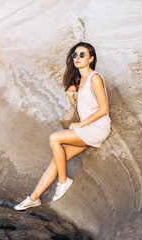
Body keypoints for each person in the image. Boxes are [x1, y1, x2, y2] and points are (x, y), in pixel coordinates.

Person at [14, 42, 111, 210]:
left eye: (82, 55)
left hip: (98, 128)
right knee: (57, 160)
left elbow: (103, 109)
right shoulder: (79, 81)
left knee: (55, 138)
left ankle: (63, 181)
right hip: (86, 129)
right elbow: (81, 110)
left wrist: (80, 125)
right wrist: (72, 97)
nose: (78, 58)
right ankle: (34, 197)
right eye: (75, 55)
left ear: (91, 58)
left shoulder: (95, 78)